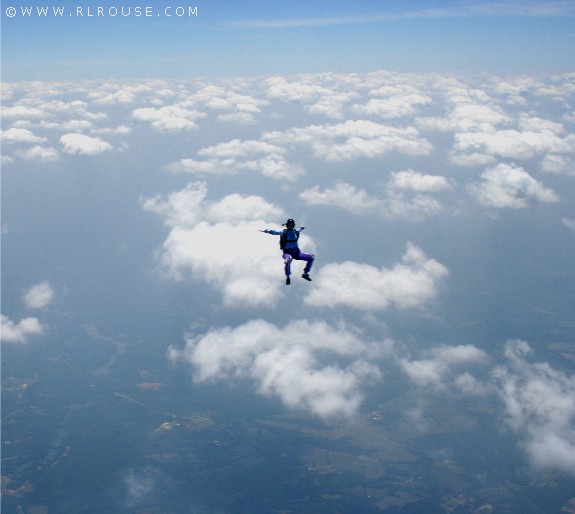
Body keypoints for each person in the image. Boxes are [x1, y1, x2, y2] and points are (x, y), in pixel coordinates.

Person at [260, 218, 314, 285]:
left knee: (311, 257)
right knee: (288, 259)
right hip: (288, 253)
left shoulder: (296, 232)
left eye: (292, 225)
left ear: (293, 226)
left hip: (297, 253)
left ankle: (305, 273)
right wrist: (265, 230)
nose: (290, 227)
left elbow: (300, 229)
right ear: (287, 226)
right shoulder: (284, 233)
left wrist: (302, 227)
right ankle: (288, 277)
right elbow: (273, 232)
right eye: (289, 225)